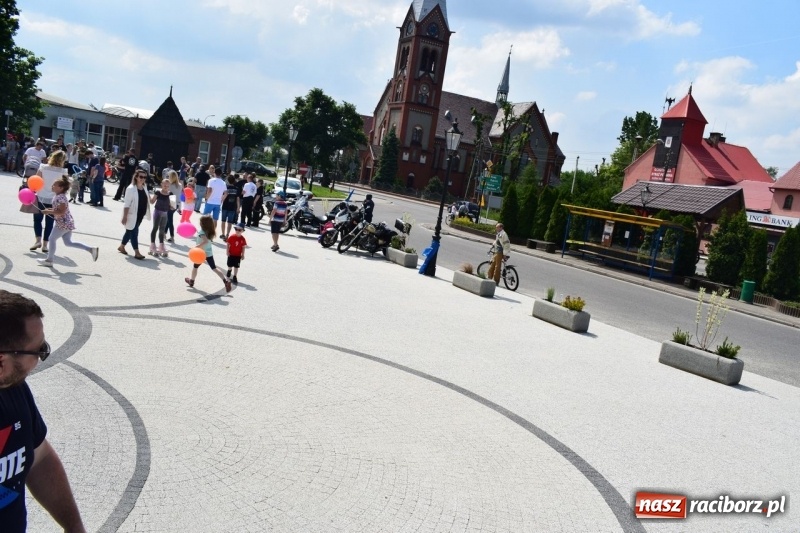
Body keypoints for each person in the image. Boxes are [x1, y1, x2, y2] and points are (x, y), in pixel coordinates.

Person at [0, 290, 87, 532]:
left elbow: (39, 459)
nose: (41, 357)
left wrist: (75, 527)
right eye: (38, 351)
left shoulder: (13, 389)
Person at [38, 175, 99, 267]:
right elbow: (59, 210)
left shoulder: (60, 197)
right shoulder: (58, 196)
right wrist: (49, 210)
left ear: (61, 188)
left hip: (63, 223)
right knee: (68, 242)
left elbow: (61, 211)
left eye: (55, 185)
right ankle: (91, 249)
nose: (52, 186)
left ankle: (49, 260)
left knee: (52, 239)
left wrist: (48, 211)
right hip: (67, 222)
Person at [30, 150, 68, 254]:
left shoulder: (43, 167)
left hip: (40, 197)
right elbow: (65, 186)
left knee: (37, 220)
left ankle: (38, 240)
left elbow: (36, 180)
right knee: (50, 223)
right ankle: (45, 244)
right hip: (54, 199)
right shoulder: (63, 171)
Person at [185, 215, 232, 292]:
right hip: (209, 253)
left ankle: (191, 281)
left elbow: (205, 241)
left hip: (201, 254)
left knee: (195, 267)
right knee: (214, 268)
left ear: (202, 224)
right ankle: (225, 281)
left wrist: (197, 246)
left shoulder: (202, 232)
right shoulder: (211, 231)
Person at [118, 170, 151, 259]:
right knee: (134, 232)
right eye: (141, 177)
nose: (142, 179)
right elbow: (127, 204)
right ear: (136, 177)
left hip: (140, 215)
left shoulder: (144, 187)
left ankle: (122, 246)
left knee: (129, 231)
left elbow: (147, 199)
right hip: (132, 214)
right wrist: (125, 216)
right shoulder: (131, 188)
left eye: (144, 177)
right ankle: (137, 252)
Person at [148, 179, 172, 257]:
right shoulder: (158, 192)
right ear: (161, 184)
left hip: (165, 214)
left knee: (162, 230)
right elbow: (152, 202)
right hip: (157, 213)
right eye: (164, 185)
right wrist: (147, 194)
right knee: (155, 228)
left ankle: (161, 246)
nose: (166, 187)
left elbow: (172, 207)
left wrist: (174, 205)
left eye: (167, 186)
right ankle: (152, 245)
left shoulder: (171, 194)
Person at [219, 174, 240, 241]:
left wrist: (220, 203)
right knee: (230, 222)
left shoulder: (226, 188)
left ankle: (223, 233)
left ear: (228, 180)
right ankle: (227, 234)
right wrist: (238, 207)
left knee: (223, 221)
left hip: (225, 206)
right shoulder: (237, 189)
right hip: (233, 207)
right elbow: (238, 199)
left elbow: (223, 197)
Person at [165, 171, 182, 243]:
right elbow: (179, 196)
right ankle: (164, 233)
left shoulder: (170, 186)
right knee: (169, 219)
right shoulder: (180, 185)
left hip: (171, 203)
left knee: (169, 220)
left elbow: (168, 195)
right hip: (177, 203)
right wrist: (180, 207)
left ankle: (172, 236)